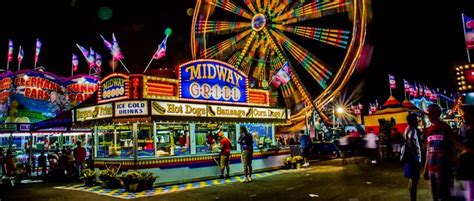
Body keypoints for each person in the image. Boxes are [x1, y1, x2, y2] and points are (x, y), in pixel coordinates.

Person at [423, 104, 456, 201]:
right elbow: (428, 150)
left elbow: (453, 147)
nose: (428, 116)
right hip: (431, 168)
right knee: (434, 195)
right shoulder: (428, 130)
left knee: (444, 194)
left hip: (444, 168)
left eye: (430, 113)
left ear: (437, 113)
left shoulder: (445, 128)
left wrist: (453, 164)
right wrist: (426, 169)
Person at [401, 113, 422, 201]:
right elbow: (411, 143)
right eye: (416, 119)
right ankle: (413, 199)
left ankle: (412, 198)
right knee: (414, 180)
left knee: (411, 179)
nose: (418, 121)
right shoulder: (412, 130)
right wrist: (416, 156)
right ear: (413, 120)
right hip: (413, 158)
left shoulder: (407, 129)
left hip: (410, 158)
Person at [457, 105, 474, 201]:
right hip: (466, 161)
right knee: (469, 186)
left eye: (466, 113)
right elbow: (459, 143)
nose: (464, 116)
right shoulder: (463, 127)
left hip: (469, 159)